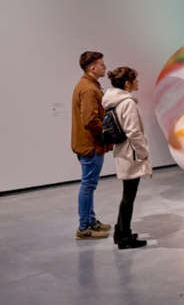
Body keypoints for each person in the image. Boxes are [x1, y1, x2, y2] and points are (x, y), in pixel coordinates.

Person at [102, 66, 152, 250]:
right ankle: (124, 237)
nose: (138, 82)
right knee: (129, 197)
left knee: (127, 196)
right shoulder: (128, 103)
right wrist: (143, 152)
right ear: (128, 83)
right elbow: (133, 131)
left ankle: (120, 232)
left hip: (123, 152)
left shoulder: (115, 101)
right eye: (135, 80)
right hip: (131, 154)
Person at [71, 51, 112, 240]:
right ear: (93, 68)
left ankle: (90, 220)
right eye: (102, 64)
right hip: (91, 146)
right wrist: (107, 131)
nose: (105, 67)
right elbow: (89, 120)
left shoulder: (88, 85)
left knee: (89, 185)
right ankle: (84, 227)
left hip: (89, 145)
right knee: (88, 185)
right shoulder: (89, 89)